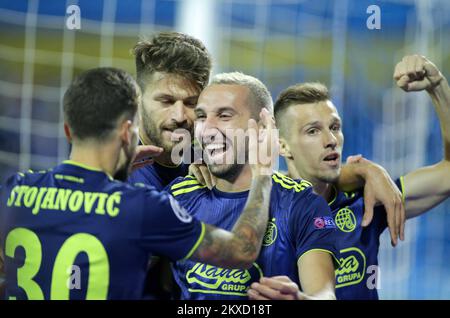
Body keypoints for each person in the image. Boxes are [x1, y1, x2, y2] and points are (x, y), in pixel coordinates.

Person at [0, 67, 276, 300]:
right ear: (125, 133)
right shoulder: (141, 206)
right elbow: (241, 251)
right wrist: (262, 175)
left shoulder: (15, 190)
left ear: (68, 130)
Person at [248, 54, 450, 300]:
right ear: (283, 146)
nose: (331, 140)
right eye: (313, 131)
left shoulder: (367, 200)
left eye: (334, 127)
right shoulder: (258, 208)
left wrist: (438, 86)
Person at [167, 72, 340, 300]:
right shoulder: (178, 197)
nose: (206, 130)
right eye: (201, 117)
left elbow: (324, 295)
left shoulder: (301, 202)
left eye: (224, 115)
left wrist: (299, 299)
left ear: (263, 127)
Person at [128, 31, 212, 191]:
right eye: (166, 101)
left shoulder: (209, 170)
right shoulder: (111, 173)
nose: (179, 116)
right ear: (137, 99)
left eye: (191, 103)